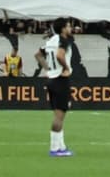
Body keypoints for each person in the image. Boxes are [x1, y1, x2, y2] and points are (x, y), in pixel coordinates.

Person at [36, 19, 74, 157]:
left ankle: (61, 146)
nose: (71, 28)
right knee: (60, 115)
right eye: (69, 26)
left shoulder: (51, 40)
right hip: (60, 79)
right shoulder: (63, 40)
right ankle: (54, 148)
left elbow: (38, 55)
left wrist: (48, 68)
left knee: (58, 114)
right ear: (63, 29)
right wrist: (66, 67)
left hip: (51, 79)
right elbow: (59, 55)